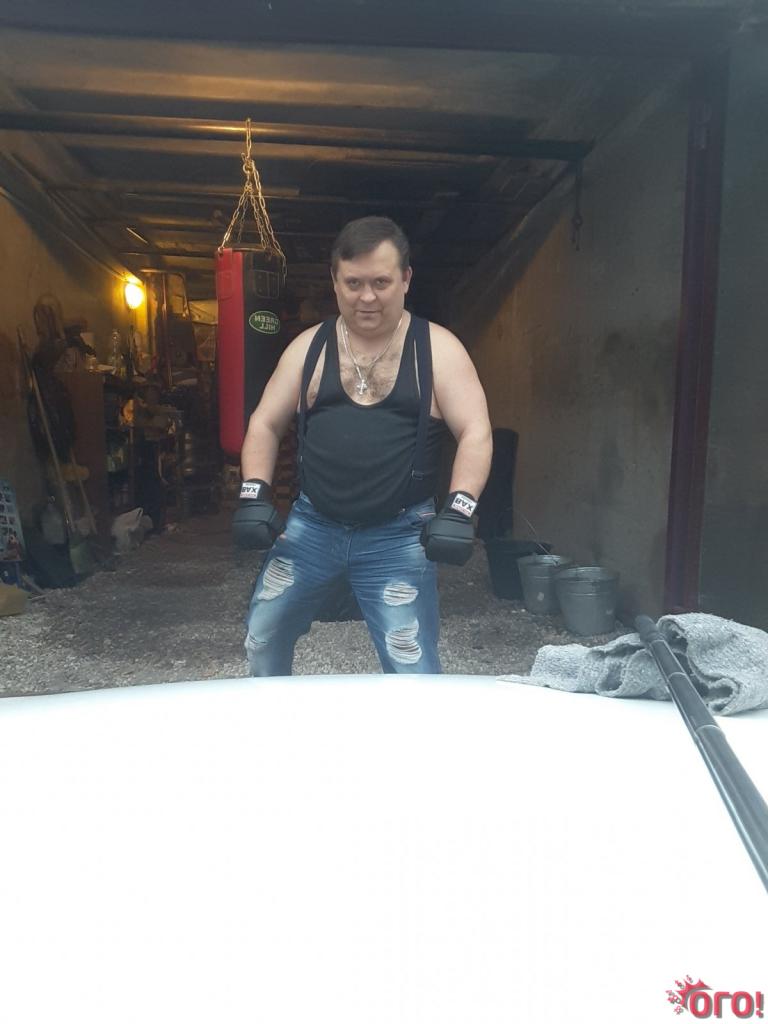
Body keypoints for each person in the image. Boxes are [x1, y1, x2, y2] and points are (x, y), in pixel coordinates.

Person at [234, 216, 492, 675]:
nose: (367, 297)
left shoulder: (438, 350)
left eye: (381, 282)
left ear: (406, 279)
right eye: (353, 283)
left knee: (411, 664)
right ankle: (272, 717)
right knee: (262, 638)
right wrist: (254, 493)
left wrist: (460, 509)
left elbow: (475, 431)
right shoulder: (308, 349)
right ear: (335, 282)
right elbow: (265, 423)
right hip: (312, 527)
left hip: (399, 534)